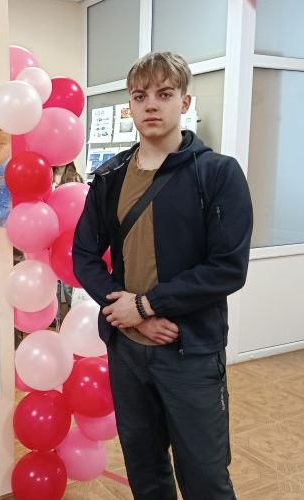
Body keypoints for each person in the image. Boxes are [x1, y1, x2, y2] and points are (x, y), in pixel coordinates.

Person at [73, 52, 253, 499]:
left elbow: (227, 267)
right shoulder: (110, 177)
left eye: (164, 94)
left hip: (189, 351)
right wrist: (128, 313)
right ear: (130, 107)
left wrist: (147, 305)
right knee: (145, 469)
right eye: (140, 96)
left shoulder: (217, 174)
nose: (151, 104)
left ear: (184, 102)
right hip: (127, 352)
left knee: (205, 477)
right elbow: (85, 255)